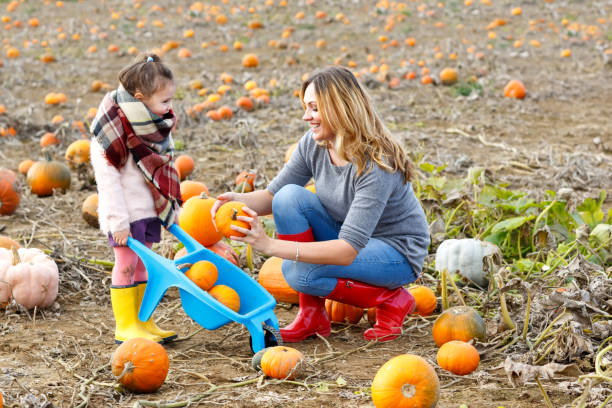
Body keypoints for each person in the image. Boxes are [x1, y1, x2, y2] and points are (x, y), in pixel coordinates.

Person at [212, 66, 430, 343]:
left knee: (299, 273)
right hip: (347, 237)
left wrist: (270, 246)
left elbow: (346, 251)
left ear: (340, 109)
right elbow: (272, 196)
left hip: (395, 252)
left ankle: (393, 298)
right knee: (289, 197)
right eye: (306, 107)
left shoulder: (376, 164)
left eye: (314, 108)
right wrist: (235, 199)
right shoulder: (314, 145)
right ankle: (312, 316)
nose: (306, 117)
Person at [89, 53, 181, 344]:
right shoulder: (110, 133)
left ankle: (144, 322)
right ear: (140, 99)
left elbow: (165, 168)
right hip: (125, 218)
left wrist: (172, 209)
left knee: (144, 266)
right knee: (126, 265)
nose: (170, 108)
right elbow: (108, 181)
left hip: (148, 212)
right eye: (165, 102)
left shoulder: (153, 129)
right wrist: (118, 221)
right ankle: (125, 325)